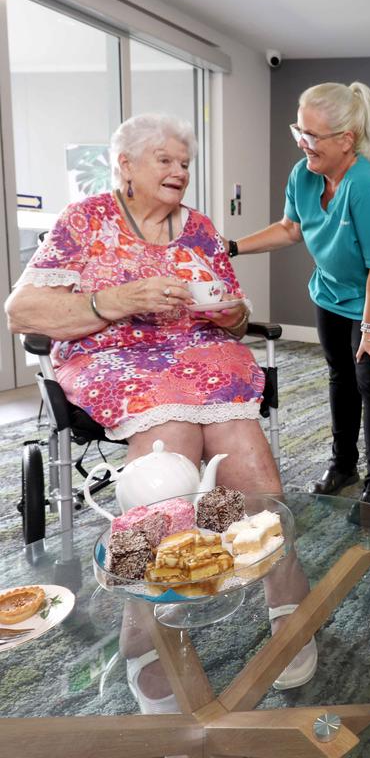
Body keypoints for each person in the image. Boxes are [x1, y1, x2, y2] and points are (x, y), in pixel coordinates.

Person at [4, 113, 316, 711]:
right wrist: (115, 301)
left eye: (184, 162)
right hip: (116, 356)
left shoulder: (198, 228)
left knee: (247, 458)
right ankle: (146, 627)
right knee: (166, 468)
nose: (180, 172)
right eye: (165, 160)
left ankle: (283, 587)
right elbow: (22, 310)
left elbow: (231, 303)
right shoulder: (85, 220)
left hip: (200, 352)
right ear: (124, 165)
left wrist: (229, 314)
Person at [231, 82, 370, 507]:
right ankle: (343, 463)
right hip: (332, 293)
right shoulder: (304, 174)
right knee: (340, 376)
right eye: (299, 130)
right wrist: (234, 247)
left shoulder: (368, 188)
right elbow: (291, 228)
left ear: (346, 139)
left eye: (311, 136)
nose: (302, 143)